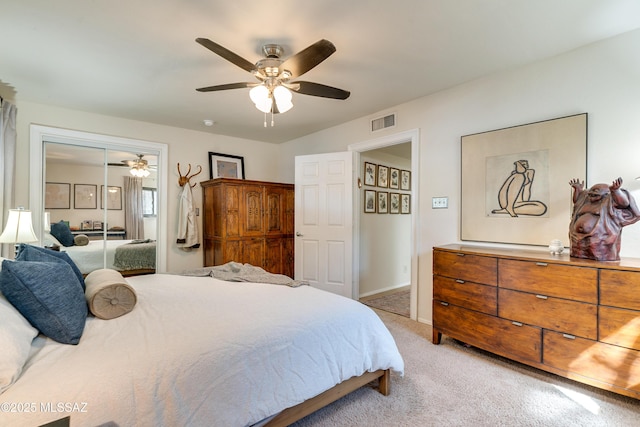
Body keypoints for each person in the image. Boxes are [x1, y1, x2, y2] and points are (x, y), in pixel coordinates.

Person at [569, 177, 640, 261]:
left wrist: (615, 191)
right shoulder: (585, 200)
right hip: (578, 240)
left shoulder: (609, 201)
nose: (591, 195)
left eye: (595, 193)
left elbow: (624, 203)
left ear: (606, 193)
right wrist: (577, 190)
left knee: (598, 255)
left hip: (600, 239)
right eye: (591, 192)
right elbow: (576, 201)